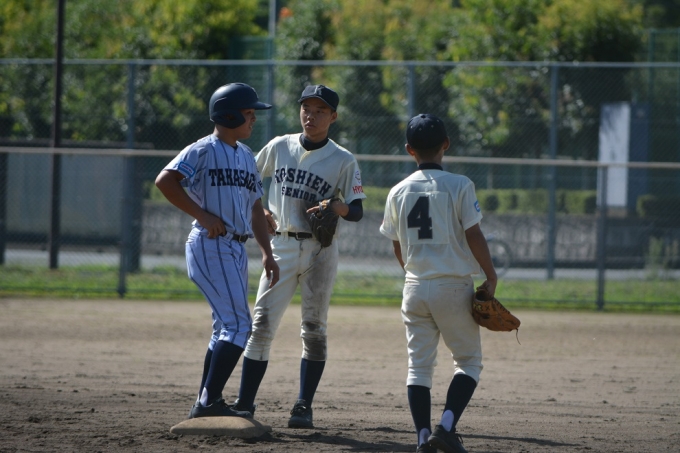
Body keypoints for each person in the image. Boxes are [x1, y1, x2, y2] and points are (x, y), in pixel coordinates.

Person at [230, 84, 366, 428]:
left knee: (314, 328)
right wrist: (261, 211)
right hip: (281, 245)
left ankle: (303, 405)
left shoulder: (343, 159)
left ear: (333, 117)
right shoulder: (280, 146)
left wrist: (338, 207)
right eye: (307, 108)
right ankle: (244, 403)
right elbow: (247, 180)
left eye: (320, 111)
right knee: (261, 324)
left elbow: (357, 210)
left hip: (321, 250)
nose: (311, 116)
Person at [155, 82, 280, 419]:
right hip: (211, 244)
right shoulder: (203, 150)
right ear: (228, 115)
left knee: (226, 327)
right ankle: (208, 403)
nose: (253, 118)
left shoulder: (246, 155)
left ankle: (207, 399)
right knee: (239, 325)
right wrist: (203, 215)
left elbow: (255, 207)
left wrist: (267, 253)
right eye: (248, 112)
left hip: (235, 249)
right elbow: (165, 180)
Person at [379, 114, 498, 453]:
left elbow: (397, 244)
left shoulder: (397, 190)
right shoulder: (460, 184)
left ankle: (421, 438)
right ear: (446, 144)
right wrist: (490, 275)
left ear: (409, 149)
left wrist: (413, 274)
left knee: (419, 367)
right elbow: (474, 234)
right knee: (468, 361)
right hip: (453, 286)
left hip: (414, 287)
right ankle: (444, 428)